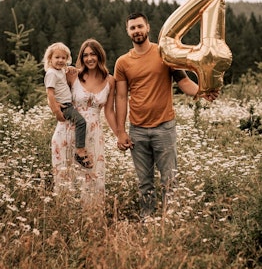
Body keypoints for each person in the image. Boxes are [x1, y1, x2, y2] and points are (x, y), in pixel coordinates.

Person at [114, 12, 218, 220]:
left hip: (164, 128)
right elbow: (122, 98)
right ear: (128, 31)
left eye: (139, 26)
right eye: (132, 28)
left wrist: (203, 91)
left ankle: (171, 220)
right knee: (145, 182)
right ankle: (148, 219)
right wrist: (121, 132)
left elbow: (184, 82)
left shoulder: (165, 54)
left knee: (170, 179)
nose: (137, 31)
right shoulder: (123, 63)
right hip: (138, 131)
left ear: (148, 27)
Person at [50, 38, 117, 204]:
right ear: (81, 57)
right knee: (65, 177)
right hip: (66, 131)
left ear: (100, 56)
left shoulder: (110, 81)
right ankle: (65, 219)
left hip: (93, 135)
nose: (89, 58)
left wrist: (120, 135)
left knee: (93, 176)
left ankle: (91, 220)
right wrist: (55, 109)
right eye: (85, 55)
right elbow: (52, 89)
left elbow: (109, 111)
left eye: (93, 54)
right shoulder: (73, 75)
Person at [43, 42, 92, 168]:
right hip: (64, 107)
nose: (60, 60)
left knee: (79, 122)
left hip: (67, 104)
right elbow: (50, 93)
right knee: (81, 122)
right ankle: (80, 151)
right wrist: (56, 110)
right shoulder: (51, 73)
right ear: (50, 59)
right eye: (57, 57)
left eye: (63, 58)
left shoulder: (61, 71)